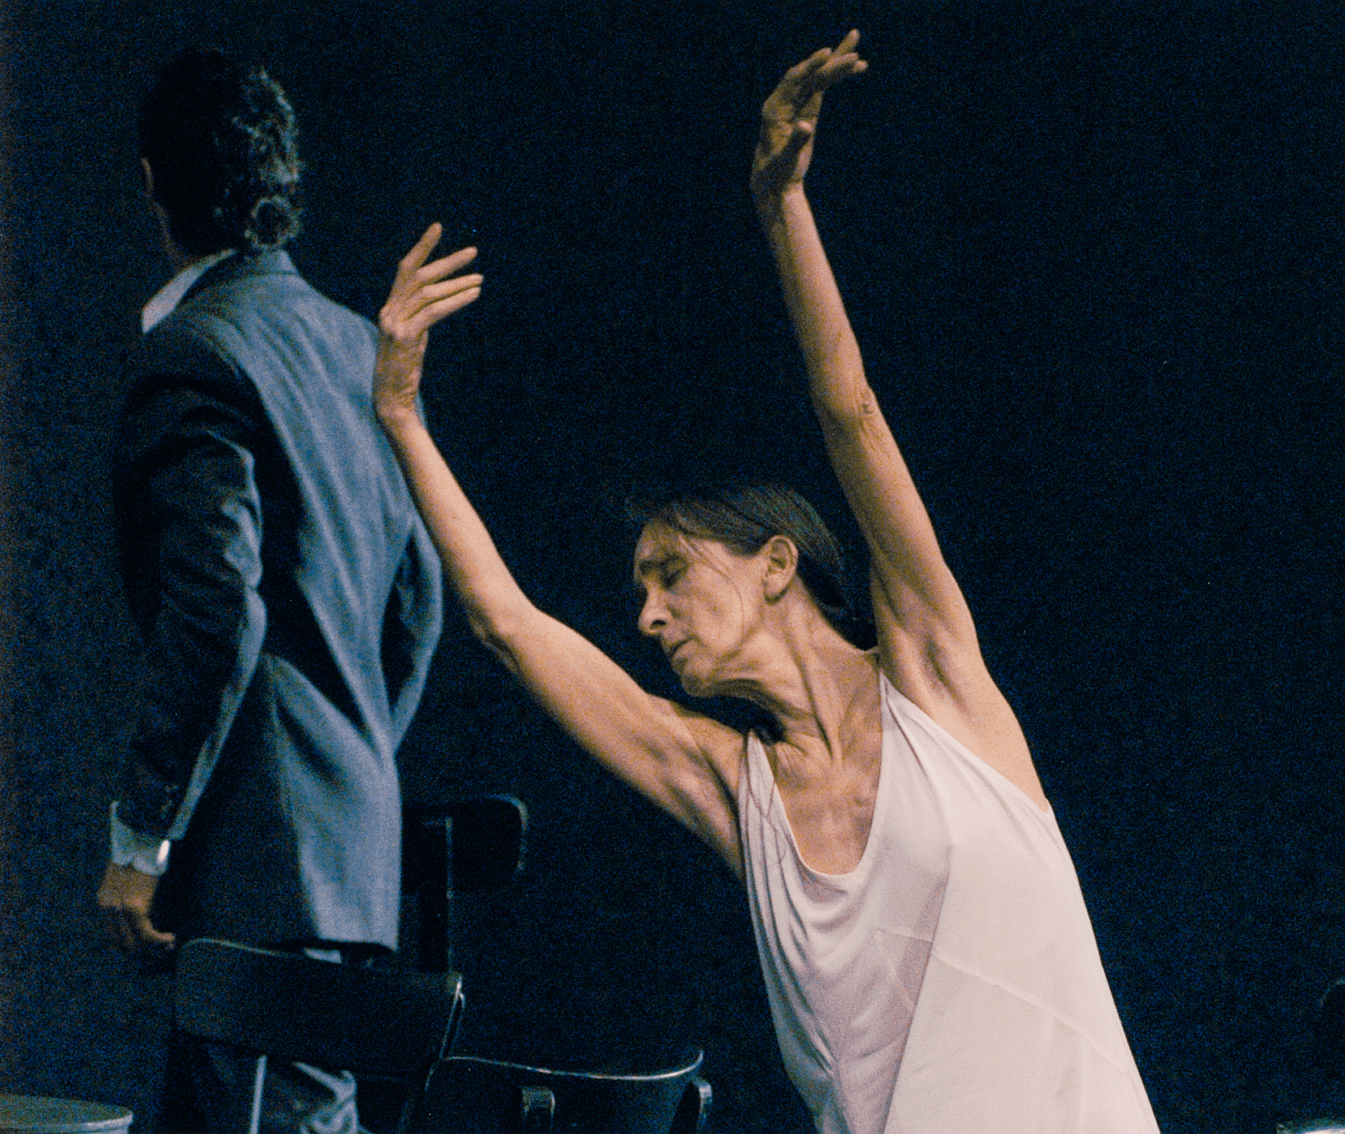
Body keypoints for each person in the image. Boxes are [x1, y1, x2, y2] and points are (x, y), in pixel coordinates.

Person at [374, 32, 1158, 1134]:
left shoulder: (935, 673)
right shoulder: (729, 790)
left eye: (669, 573)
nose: (645, 615)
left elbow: (852, 414)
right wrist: (401, 419)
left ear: (777, 561)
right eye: (639, 593)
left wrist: (780, 202)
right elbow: (508, 628)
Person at [96, 48, 443, 1134]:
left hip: (256, 891)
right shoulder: (356, 350)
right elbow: (418, 602)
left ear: (154, 181)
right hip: (333, 875)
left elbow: (215, 607)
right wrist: (347, 760)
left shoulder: (196, 355)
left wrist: (141, 839)